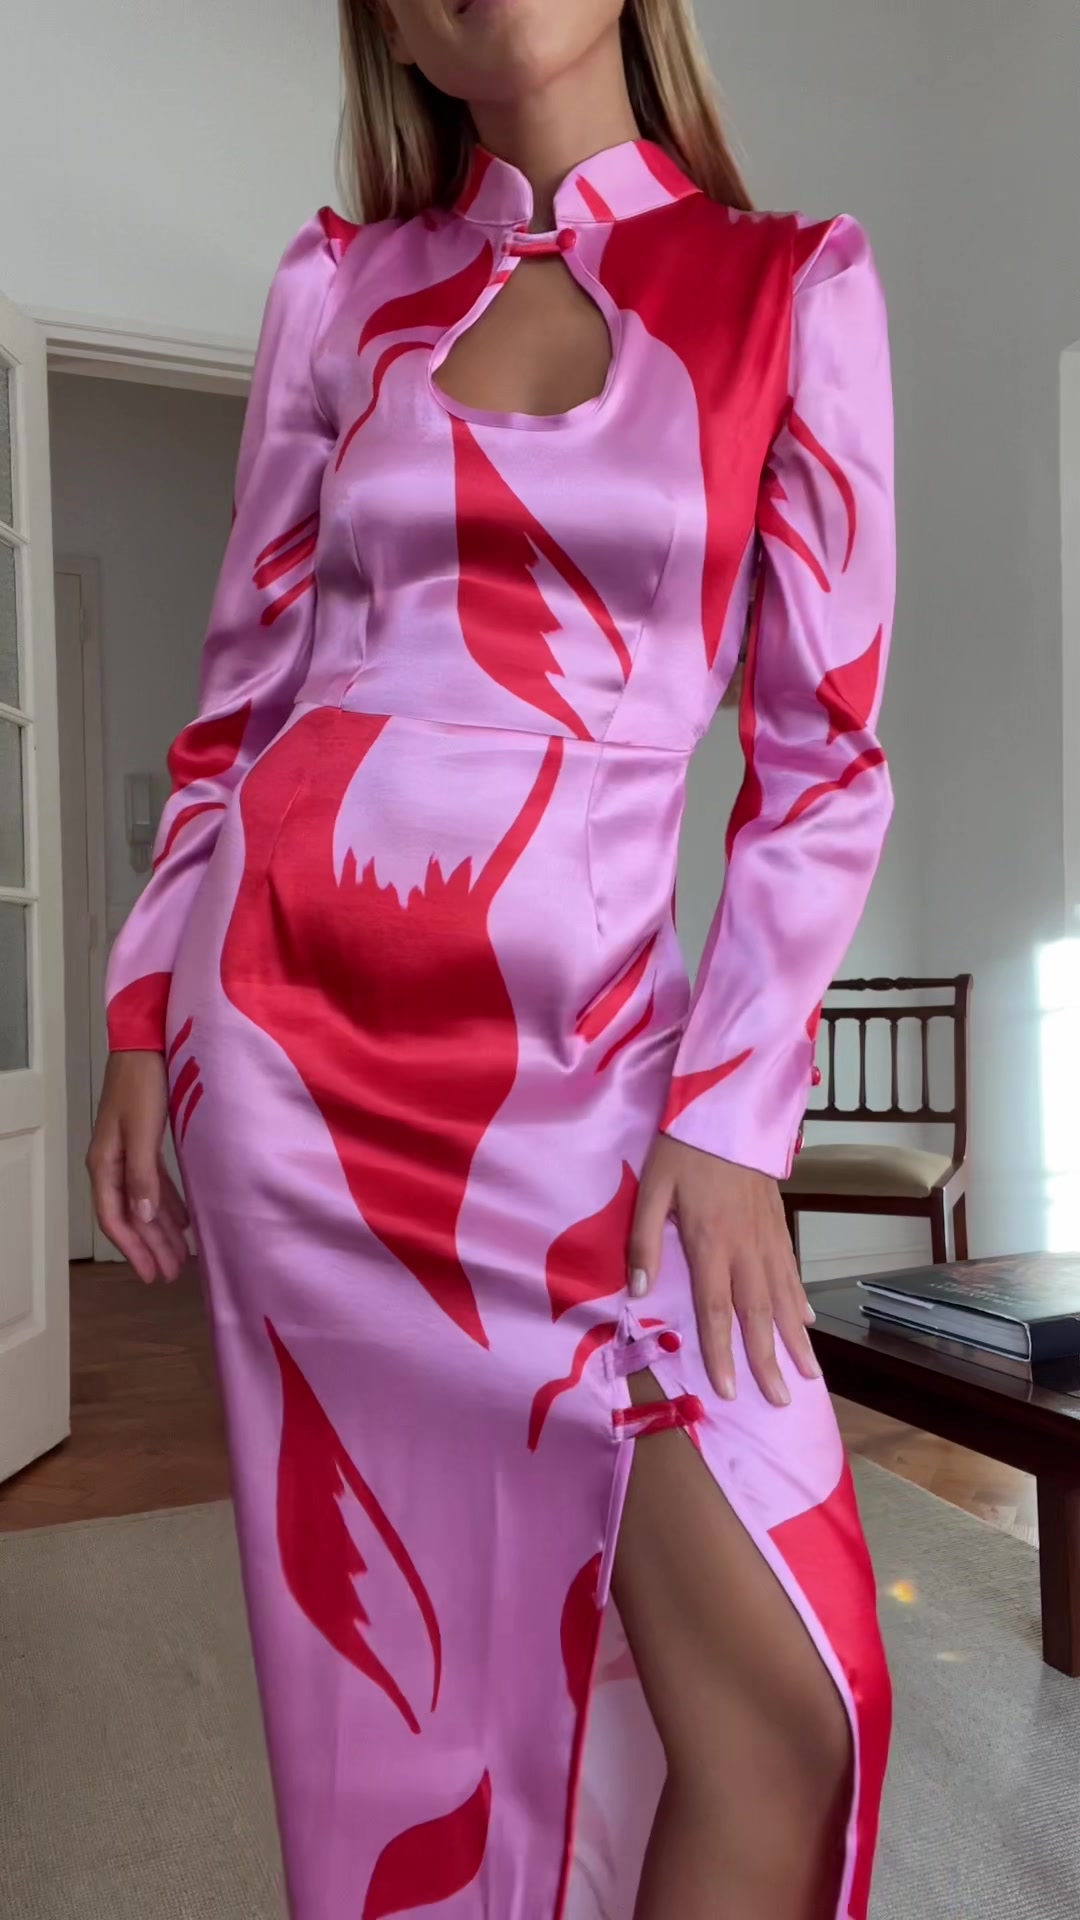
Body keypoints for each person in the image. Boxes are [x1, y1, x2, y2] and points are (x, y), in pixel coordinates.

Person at [87, 2, 896, 1915]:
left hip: (612, 1077)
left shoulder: (790, 288)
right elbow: (238, 703)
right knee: (420, 1701)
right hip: (296, 1066)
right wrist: (137, 1016)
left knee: (797, 1710)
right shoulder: (338, 291)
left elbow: (823, 756)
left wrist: (734, 1115)